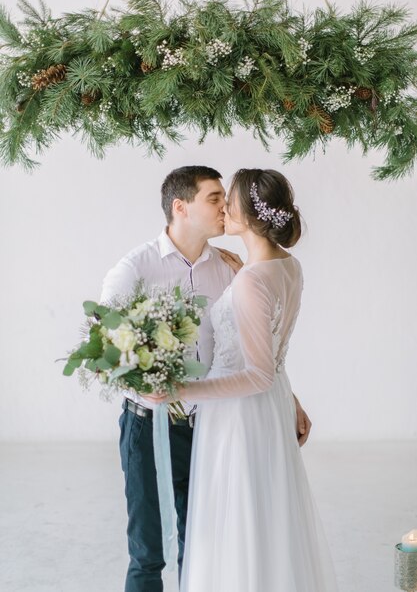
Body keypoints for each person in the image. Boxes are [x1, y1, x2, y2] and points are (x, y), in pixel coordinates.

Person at [100, 165, 312, 592]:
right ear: (181, 207)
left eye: (225, 198)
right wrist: (145, 384)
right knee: (147, 551)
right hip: (151, 426)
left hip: (212, 428)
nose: (224, 207)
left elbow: (257, 351)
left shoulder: (233, 269)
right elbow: (104, 347)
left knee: (202, 545)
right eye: (214, 198)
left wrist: (292, 400)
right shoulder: (134, 268)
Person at [148, 168, 338, 592]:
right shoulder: (286, 267)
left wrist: (184, 389)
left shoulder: (253, 278)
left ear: (251, 216)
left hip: (238, 414)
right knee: (265, 516)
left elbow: (256, 372)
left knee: (236, 519)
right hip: (267, 406)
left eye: (228, 200)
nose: (224, 209)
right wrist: (292, 400)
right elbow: (274, 354)